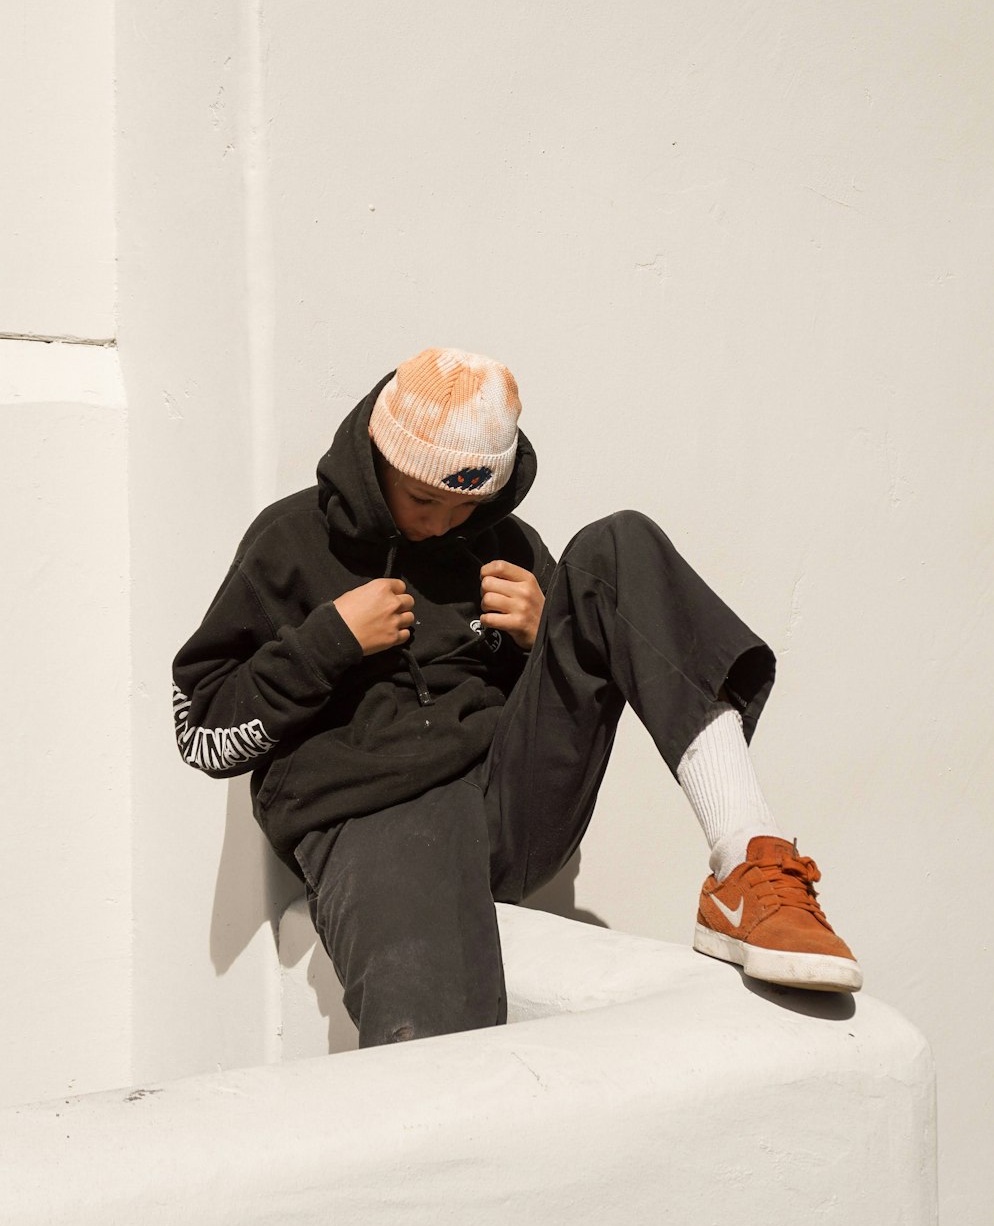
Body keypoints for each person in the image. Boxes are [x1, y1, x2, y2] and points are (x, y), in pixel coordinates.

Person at [173, 347, 860, 1047]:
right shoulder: (287, 543)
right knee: (438, 1051)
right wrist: (331, 640)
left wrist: (541, 636)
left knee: (618, 549)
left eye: (466, 504)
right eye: (423, 501)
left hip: (507, 809)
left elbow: (566, 686)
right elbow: (200, 730)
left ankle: (747, 859)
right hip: (369, 818)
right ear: (377, 459)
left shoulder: (506, 545)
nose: (442, 524)